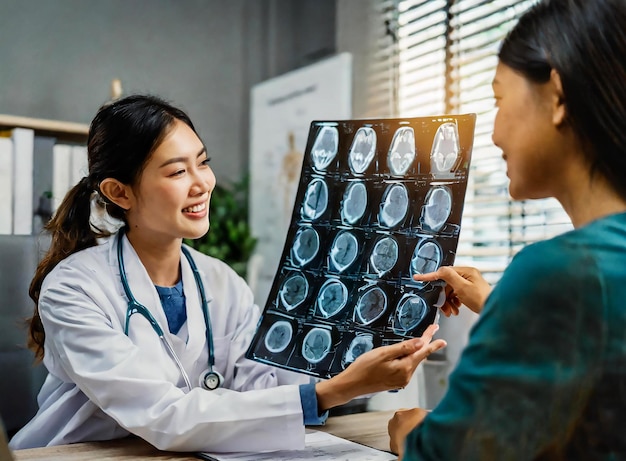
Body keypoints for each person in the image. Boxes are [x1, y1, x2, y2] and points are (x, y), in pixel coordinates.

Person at [9, 95, 446, 452]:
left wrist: (380, 325)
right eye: (178, 171)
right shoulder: (73, 288)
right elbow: (162, 414)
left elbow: (258, 382)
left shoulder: (220, 282)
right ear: (119, 192)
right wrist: (326, 394)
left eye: (203, 161)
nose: (203, 183)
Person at [388, 0, 626, 459]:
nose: (493, 133)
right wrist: (505, 307)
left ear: (557, 96)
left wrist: (411, 436)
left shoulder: (559, 272)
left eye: (499, 101)